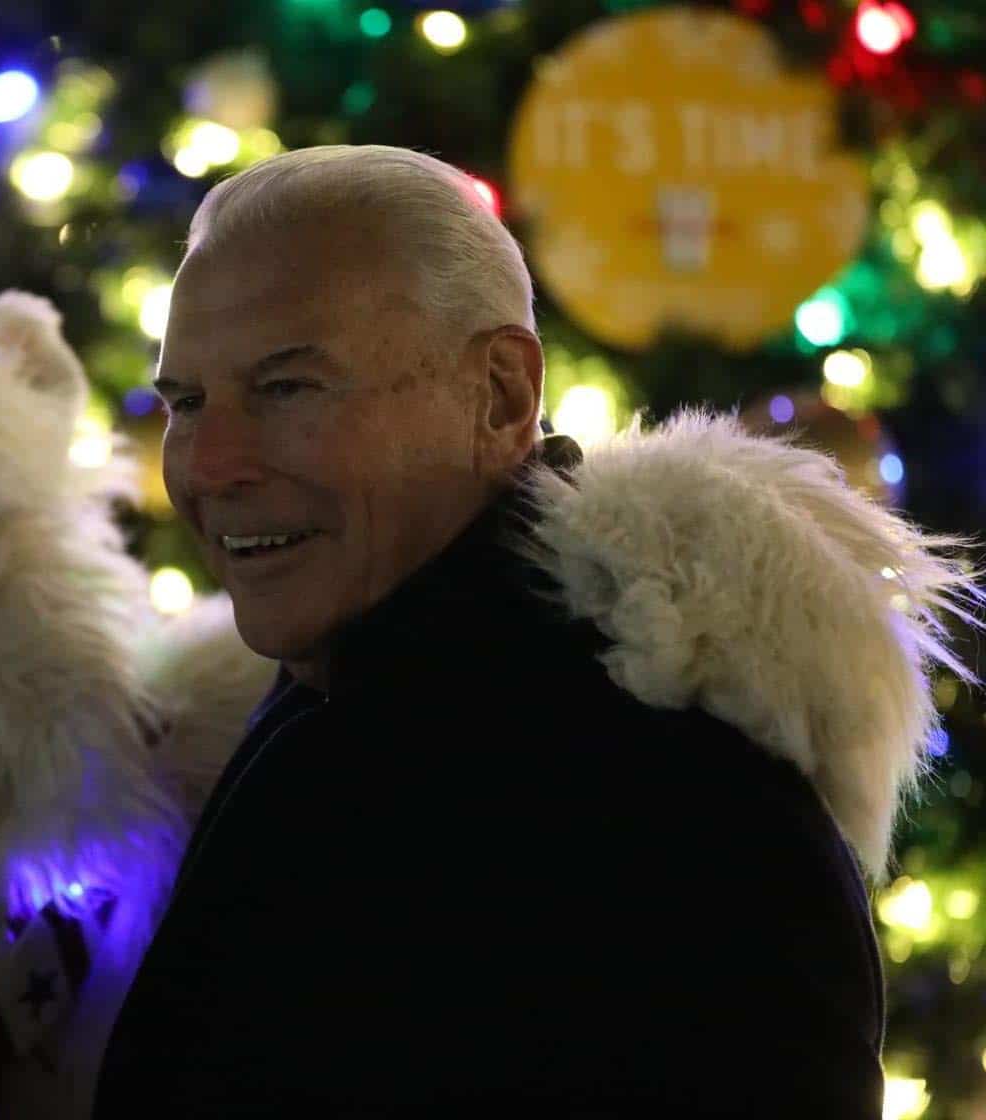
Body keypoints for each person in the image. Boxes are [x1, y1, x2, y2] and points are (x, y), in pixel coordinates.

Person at [90, 145, 977, 1117]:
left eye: (288, 387)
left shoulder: (659, 811)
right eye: (184, 402)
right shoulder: (358, 683)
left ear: (501, 394)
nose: (208, 465)